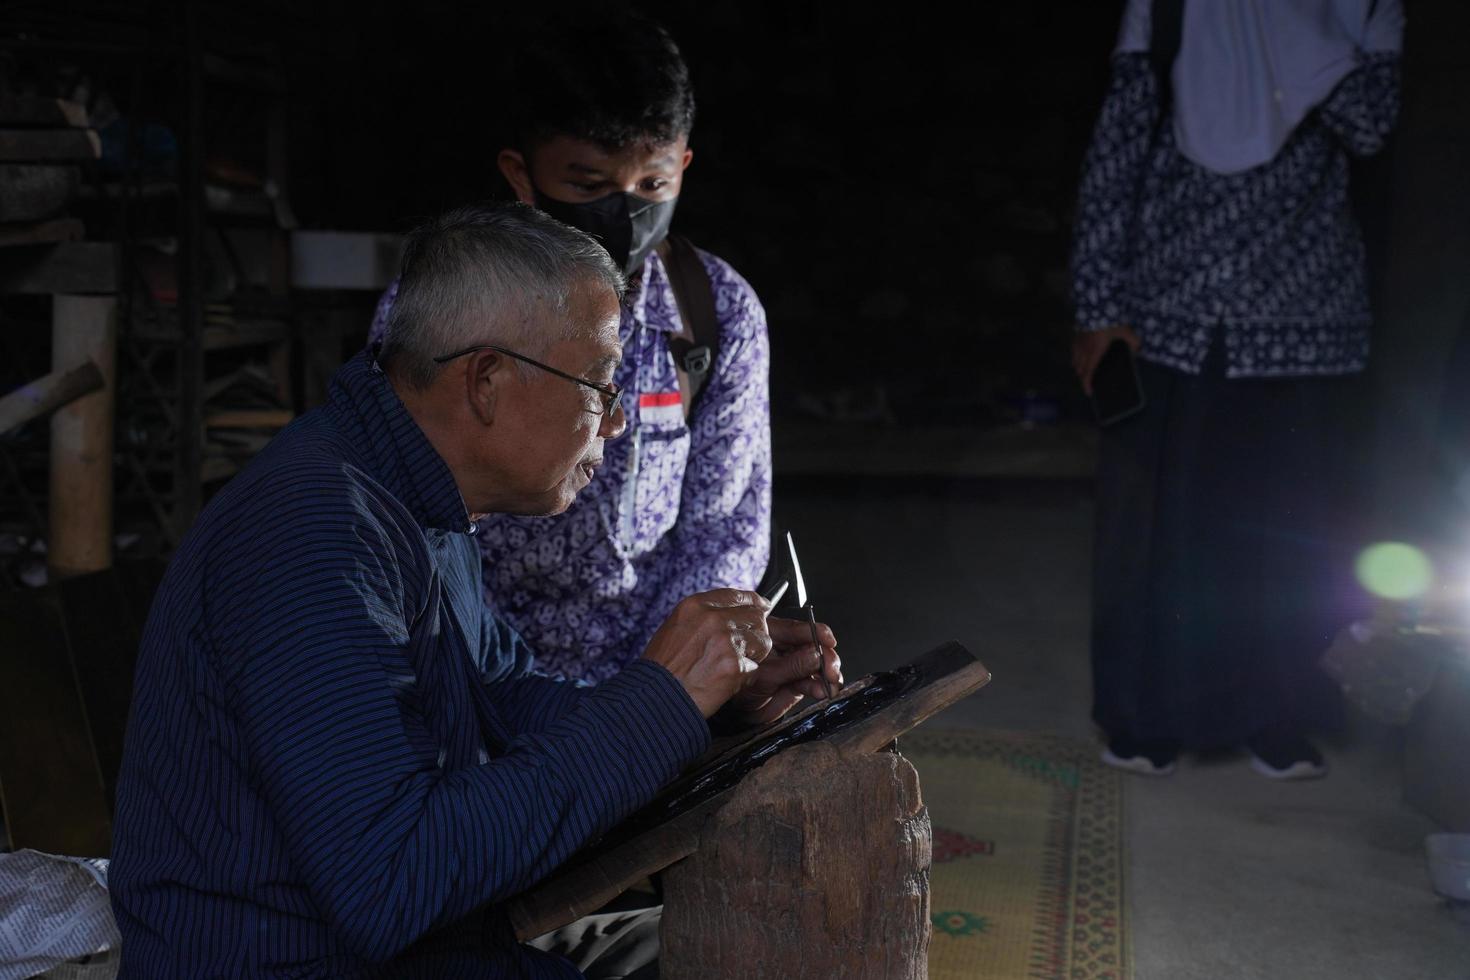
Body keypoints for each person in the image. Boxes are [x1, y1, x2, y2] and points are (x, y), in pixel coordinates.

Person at [109, 203, 839, 978]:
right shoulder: (312, 534)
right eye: (598, 383)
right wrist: (658, 700)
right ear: (487, 381)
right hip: (301, 961)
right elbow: (389, 881)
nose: (619, 421)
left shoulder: (417, 503)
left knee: (781, 944)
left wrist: (710, 706)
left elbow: (511, 702)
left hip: (426, 942)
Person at [369, 9, 771, 683]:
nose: (624, 211)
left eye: (653, 184)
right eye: (587, 186)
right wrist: (508, 693)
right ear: (521, 175)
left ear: (684, 164)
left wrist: (658, 691)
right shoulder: (435, 314)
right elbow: (408, 524)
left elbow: (722, 531)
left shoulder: (718, 317)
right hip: (473, 680)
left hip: (657, 683)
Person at [1070, 0, 1404, 779]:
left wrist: (1314, 40)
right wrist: (1098, 309)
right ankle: (1148, 718)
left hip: (1305, 323)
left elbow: (1374, 123)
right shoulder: (1173, 11)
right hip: (1172, 320)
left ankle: (1274, 720)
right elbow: (1116, 156)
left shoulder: (1354, 11)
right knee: (1164, 535)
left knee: (1286, 536)